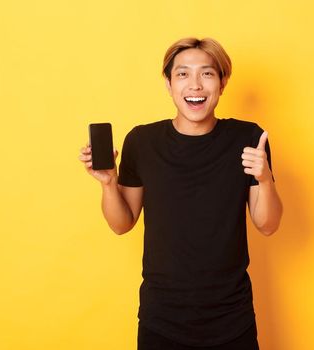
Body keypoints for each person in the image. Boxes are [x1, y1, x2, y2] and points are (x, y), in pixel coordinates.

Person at [78, 37, 283, 349]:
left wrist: (265, 180)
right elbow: (122, 223)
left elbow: (267, 225)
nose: (195, 85)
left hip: (232, 317)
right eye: (183, 74)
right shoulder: (142, 142)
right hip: (162, 319)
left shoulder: (249, 138)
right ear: (169, 83)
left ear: (223, 82)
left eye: (207, 74)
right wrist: (108, 183)